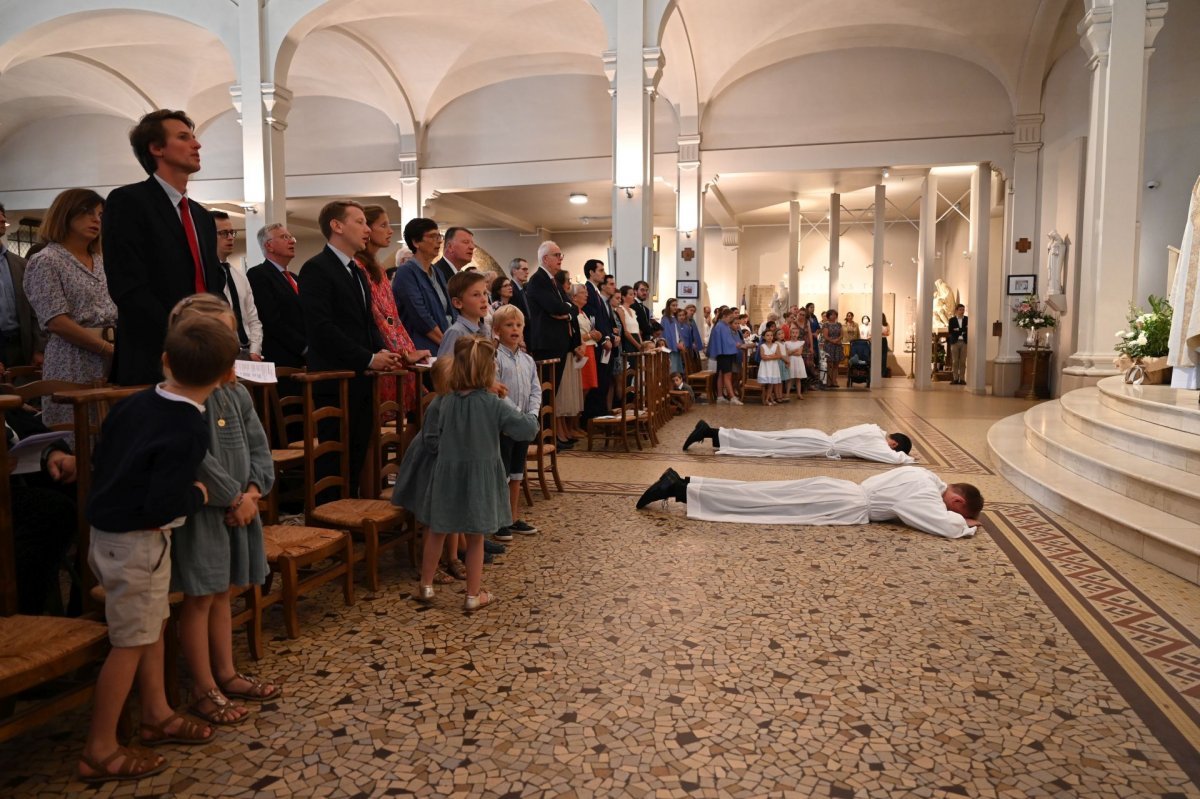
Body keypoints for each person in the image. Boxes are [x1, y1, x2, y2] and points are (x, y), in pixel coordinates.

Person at [78, 313, 240, 783]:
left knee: (150, 627)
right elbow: (161, 503)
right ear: (228, 375)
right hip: (138, 542)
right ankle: (100, 748)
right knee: (128, 643)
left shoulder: (136, 402)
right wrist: (201, 494)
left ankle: (156, 714)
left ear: (165, 360)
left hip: (106, 534)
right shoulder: (189, 428)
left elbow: (103, 457)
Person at [166, 295, 278, 731]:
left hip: (239, 508)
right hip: (207, 513)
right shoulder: (187, 394)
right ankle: (202, 685)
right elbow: (196, 457)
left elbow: (257, 444)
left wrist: (254, 491)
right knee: (200, 598)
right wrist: (234, 497)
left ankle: (226, 672)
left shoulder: (236, 392)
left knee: (223, 594)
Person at [414, 337, 538, 611]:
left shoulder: (444, 401)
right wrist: (527, 411)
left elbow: (434, 437)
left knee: (437, 529)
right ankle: (472, 595)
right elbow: (527, 430)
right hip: (480, 477)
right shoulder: (494, 403)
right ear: (489, 370)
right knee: (475, 537)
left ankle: (425, 585)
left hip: (446, 473)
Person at [102, 109, 226, 386]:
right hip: (153, 353)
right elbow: (128, 285)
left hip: (205, 353)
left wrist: (219, 330)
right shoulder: (129, 202)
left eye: (194, 137)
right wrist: (181, 336)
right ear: (156, 148)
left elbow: (212, 282)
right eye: (184, 137)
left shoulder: (202, 216)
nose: (197, 145)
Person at [299, 200, 404, 498]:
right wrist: (368, 357)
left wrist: (382, 352)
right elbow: (321, 328)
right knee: (334, 456)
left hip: (361, 376)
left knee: (357, 451)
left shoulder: (357, 271)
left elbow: (367, 322)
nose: (367, 229)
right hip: (334, 378)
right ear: (337, 225)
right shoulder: (316, 268)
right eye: (359, 221)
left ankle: (349, 515)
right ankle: (328, 519)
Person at [636, 466, 982, 540]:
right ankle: (680, 489)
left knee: (764, 494)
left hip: (840, 490)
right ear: (955, 499)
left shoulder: (923, 474)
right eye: (956, 509)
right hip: (842, 502)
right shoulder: (926, 495)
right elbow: (940, 524)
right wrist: (964, 526)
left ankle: (687, 485)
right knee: (764, 505)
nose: (951, 513)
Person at [23, 189, 118, 429]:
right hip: (73, 359)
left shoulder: (102, 260)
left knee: (110, 434)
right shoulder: (46, 260)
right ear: (65, 214)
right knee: (78, 439)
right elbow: (56, 321)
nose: (96, 219)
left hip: (110, 356)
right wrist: (106, 348)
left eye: (100, 214)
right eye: (87, 212)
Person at [357, 206, 429, 413]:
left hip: (396, 350)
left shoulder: (378, 268)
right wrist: (403, 354)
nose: (390, 231)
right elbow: (378, 318)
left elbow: (393, 318)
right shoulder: (359, 268)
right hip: (382, 353)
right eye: (383, 225)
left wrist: (409, 351)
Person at [6, 405, 77, 615]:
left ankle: (84, 611)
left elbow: (23, 424)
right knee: (53, 512)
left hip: (25, 477)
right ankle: (22, 616)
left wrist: (53, 452)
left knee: (101, 492)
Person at [492, 305, 542, 540]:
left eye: (518, 325)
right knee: (501, 474)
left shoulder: (527, 360)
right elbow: (497, 391)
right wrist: (516, 416)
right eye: (509, 325)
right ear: (496, 330)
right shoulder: (495, 358)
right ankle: (499, 520)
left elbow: (535, 390)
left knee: (516, 473)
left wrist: (532, 414)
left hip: (523, 422)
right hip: (504, 426)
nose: (515, 329)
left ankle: (512, 516)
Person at [683, 419, 914, 463]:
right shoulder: (876, 442)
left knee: (766, 440)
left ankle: (712, 433)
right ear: (893, 444)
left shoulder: (873, 428)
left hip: (816, 437)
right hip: (816, 445)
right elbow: (892, 459)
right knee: (765, 443)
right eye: (894, 448)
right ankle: (711, 432)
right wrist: (909, 458)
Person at [246, 223, 305, 369]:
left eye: (291, 237)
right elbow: (272, 320)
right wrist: (304, 347)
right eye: (285, 237)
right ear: (269, 246)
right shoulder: (258, 274)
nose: (291, 241)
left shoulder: (294, 277)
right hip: (281, 360)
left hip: (304, 359)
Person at [392, 218, 453, 354]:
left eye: (439, 236)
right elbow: (420, 316)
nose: (439, 241)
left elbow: (449, 310)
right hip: (423, 348)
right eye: (432, 236)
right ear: (415, 242)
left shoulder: (437, 272)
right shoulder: (406, 272)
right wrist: (446, 344)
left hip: (445, 344)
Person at [211, 211, 262, 362]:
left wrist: (255, 350)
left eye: (232, 232)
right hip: (221, 353)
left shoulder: (240, 276)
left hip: (247, 353)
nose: (231, 237)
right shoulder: (206, 275)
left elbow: (253, 318)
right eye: (223, 233)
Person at [0, 202, 45, 369]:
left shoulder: (21, 264)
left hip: (19, 343)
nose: (2, 218)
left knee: (25, 393)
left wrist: (39, 349)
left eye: (2, 214)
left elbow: (35, 310)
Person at [525, 240, 573, 388]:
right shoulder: (537, 280)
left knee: (554, 388)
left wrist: (568, 314)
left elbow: (573, 307)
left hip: (558, 342)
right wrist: (566, 308)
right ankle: (539, 413)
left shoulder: (554, 281)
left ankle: (551, 412)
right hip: (547, 343)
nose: (561, 258)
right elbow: (555, 307)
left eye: (561, 255)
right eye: (557, 255)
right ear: (545, 259)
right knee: (545, 388)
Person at [437, 271, 492, 358]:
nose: (484, 299)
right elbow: (444, 368)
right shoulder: (456, 332)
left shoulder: (486, 330)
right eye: (476, 295)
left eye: (485, 293)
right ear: (458, 303)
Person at [707, 307, 742, 404]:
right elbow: (725, 341)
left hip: (725, 353)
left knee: (721, 375)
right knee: (727, 376)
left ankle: (720, 396)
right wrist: (735, 344)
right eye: (730, 317)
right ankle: (732, 397)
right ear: (724, 316)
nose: (731, 319)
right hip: (724, 354)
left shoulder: (724, 326)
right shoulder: (720, 326)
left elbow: (727, 340)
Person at [756, 327, 784, 405]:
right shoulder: (762, 346)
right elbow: (763, 357)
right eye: (767, 335)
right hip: (765, 367)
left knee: (771, 383)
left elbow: (779, 356)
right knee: (766, 383)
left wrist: (769, 356)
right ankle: (769, 399)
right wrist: (772, 356)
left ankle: (768, 399)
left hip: (773, 366)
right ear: (764, 337)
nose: (770, 337)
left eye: (771, 335)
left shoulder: (776, 345)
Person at [782, 321, 807, 400]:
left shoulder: (801, 342)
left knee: (798, 379)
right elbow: (786, 353)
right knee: (789, 379)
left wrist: (791, 352)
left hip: (798, 362)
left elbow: (799, 353)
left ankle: (799, 394)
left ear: (798, 334)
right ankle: (787, 393)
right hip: (790, 361)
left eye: (796, 333)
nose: (795, 334)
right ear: (790, 333)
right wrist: (794, 350)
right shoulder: (786, 343)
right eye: (793, 333)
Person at [821, 309, 843, 388]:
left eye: (834, 315)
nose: (833, 316)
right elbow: (825, 336)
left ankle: (835, 381)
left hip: (837, 346)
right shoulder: (826, 325)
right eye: (831, 315)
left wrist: (837, 340)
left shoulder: (839, 324)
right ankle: (829, 381)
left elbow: (841, 334)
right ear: (828, 316)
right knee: (829, 364)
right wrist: (833, 341)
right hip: (829, 346)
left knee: (836, 364)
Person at [948, 303, 968, 385]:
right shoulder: (952, 320)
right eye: (960, 309)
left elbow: (967, 330)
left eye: (963, 309)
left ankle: (962, 379)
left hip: (964, 342)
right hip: (954, 342)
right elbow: (951, 331)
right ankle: (955, 378)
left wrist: (958, 329)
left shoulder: (967, 319)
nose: (962, 311)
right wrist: (962, 330)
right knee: (955, 361)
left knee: (963, 361)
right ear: (956, 310)